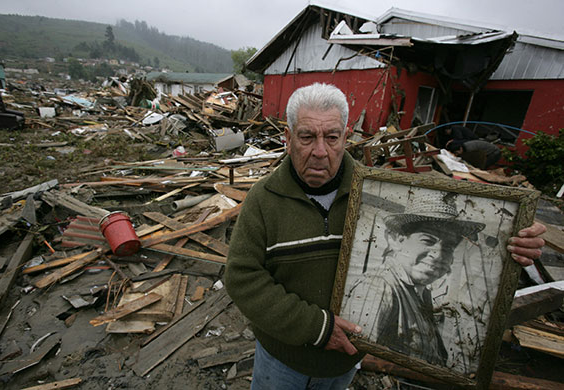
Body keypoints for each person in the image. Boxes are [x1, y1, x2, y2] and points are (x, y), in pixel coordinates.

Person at [224, 83, 546, 389]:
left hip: (343, 363)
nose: (320, 151)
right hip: (283, 361)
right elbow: (242, 278)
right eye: (307, 137)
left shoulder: (377, 197)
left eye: (332, 137)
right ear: (288, 137)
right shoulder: (263, 201)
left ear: (346, 137)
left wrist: (511, 246)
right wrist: (318, 328)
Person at [363, 193, 485, 366]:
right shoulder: (379, 286)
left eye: (448, 247)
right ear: (397, 240)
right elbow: (364, 358)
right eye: (428, 240)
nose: (438, 255)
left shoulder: (421, 294)